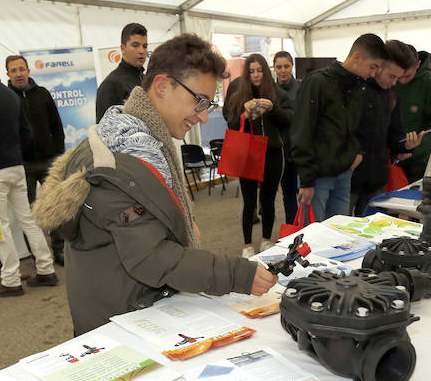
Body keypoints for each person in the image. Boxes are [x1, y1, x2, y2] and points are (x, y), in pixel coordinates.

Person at [31, 34, 277, 335]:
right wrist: (239, 274)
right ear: (162, 86)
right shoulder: (124, 158)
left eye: (208, 105)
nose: (202, 117)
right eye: (198, 101)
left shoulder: (136, 139)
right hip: (120, 327)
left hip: (131, 310)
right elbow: (153, 258)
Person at [0, 48, 58, 296]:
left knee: (0, 225)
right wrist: (15, 153)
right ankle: (46, 269)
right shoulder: (9, 95)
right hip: (17, 166)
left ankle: (11, 279)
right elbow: (26, 133)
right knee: (27, 219)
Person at [291, 33, 387, 221]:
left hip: (344, 173)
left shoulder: (359, 87)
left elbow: (360, 126)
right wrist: (307, 180)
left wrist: (357, 153)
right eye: (373, 66)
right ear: (357, 57)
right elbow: (302, 132)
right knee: (313, 236)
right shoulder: (317, 82)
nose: (374, 73)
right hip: (317, 177)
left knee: (339, 233)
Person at [223, 54, 293, 257]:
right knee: (249, 202)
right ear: (247, 73)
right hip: (247, 153)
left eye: (260, 70)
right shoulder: (237, 93)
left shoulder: (277, 93)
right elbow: (231, 124)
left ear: (266, 70)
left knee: (269, 200)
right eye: (252, 71)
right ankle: (246, 245)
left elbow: (288, 120)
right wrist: (244, 113)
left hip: (272, 152)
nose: (256, 75)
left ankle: (265, 240)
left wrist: (272, 108)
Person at [350, 40, 423, 215]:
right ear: (379, 65)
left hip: (377, 179)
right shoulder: (353, 90)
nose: (394, 82)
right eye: (392, 76)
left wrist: (406, 144)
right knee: (337, 230)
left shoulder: (391, 96)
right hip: (349, 178)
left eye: (398, 78)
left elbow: (393, 135)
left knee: (371, 233)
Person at [6, 54, 67, 263]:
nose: (18, 74)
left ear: (28, 71)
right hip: (22, 164)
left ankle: (59, 250)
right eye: (13, 70)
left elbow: (56, 126)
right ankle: (39, 256)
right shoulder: (6, 98)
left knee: (55, 206)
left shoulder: (43, 94)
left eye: (21, 69)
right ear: (8, 74)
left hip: (49, 160)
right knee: (28, 213)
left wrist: (59, 155)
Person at [395, 44, 431, 183]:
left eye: (407, 76)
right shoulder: (392, 80)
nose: (401, 81)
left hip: (416, 161)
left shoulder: (430, 84)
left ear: (418, 64)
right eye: (398, 76)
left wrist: (415, 149)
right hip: (389, 158)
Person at [95, 23, 147, 122]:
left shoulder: (147, 80)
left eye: (144, 46)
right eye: (135, 45)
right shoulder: (111, 84)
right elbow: (103, 130)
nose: (141, 51)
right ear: (123, 48)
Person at [273, 50, 300, 225]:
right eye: (279, 67)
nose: (283, 70)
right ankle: (292, 227)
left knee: (306, 191)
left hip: (300, 147)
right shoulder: (269, 90)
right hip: (280, 149)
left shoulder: (302, 89)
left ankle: (307, 225)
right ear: (274, 68)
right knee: (288, 192)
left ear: (292, 66)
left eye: (286, 66)